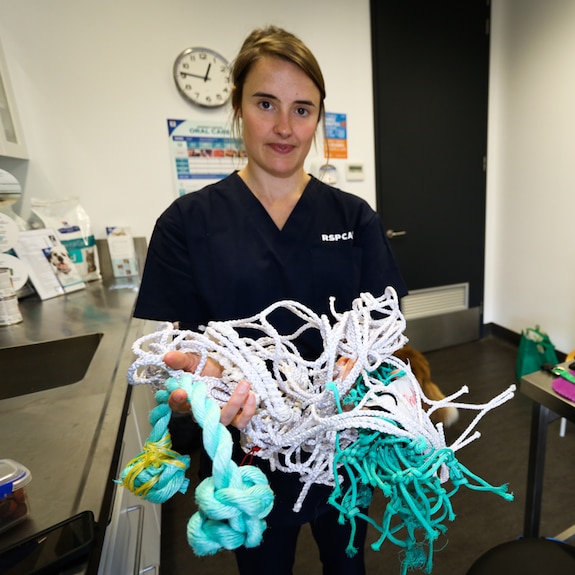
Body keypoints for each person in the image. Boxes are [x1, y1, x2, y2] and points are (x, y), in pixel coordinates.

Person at [134, 25, 407, 575]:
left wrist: (368, 369)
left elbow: (387, 330)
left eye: (302, 109)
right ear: (238, 107)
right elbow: (178, 354)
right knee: (263, 566)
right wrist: (190, 389)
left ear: (318, 118)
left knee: (347, 563)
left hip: (342, 443)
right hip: (246, 451)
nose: (285, 127)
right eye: (266, 103)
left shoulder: (354, 219)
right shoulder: (187, 223)